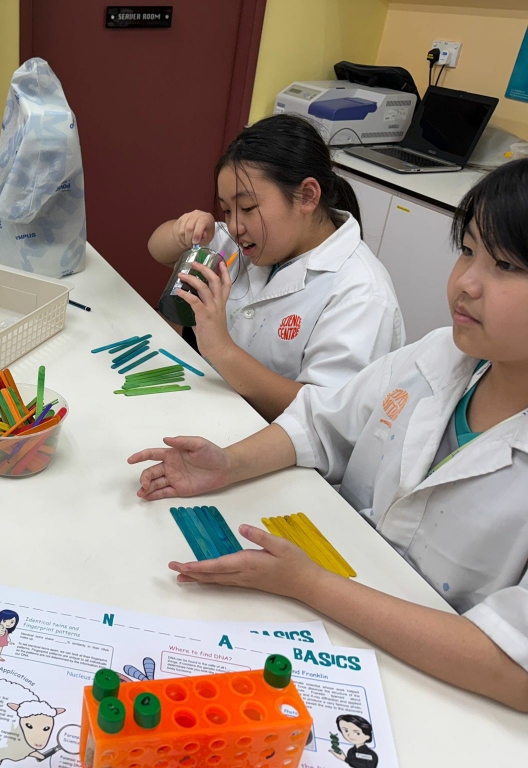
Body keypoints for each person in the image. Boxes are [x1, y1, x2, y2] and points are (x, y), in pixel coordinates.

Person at [128, 160, 528, 711]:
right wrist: (229, 464)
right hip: (345, 611)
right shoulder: (442, 355)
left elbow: (515, 668)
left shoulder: (366, 295)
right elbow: (322, 420)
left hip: (444, 693)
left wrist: (308, 584)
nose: (465, 283)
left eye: (504, 265)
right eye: (467, 250)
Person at [148, 114, 405, 421]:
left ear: (307, 196)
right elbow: (159, 250)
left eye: (247, 208)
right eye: (226, 210)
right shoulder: (243, 244)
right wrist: (183, 231)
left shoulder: (361, 294)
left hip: (276, 439)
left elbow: (326, 415)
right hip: (216, 408)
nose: (234, 225)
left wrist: (222, 351)